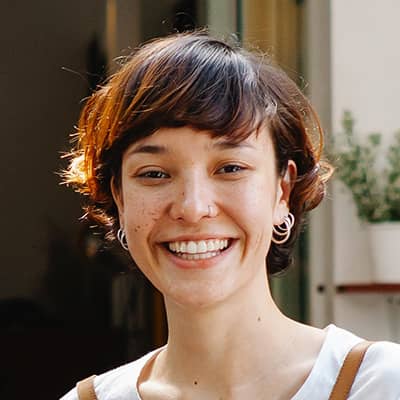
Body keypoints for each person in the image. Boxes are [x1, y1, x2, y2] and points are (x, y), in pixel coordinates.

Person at [60, 31, 400, 400]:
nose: (192, 208)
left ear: (282, 191)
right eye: (155, 174)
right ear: (120, 199)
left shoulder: (380, 384)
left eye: (230, 168)